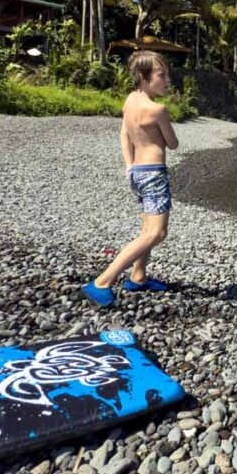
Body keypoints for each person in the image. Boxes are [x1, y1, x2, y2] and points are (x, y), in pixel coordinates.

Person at [81, 50, 179, 307]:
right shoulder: (157, 109)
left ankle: (138, 276)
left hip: (137, 171)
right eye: (161, 75)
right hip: (154, 173)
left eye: (167, 74)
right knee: (156, 233)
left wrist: (128, 165)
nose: (167, 80)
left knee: (147, 229)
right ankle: (103, 281)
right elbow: (173, 143)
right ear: (143, 76)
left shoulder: (129, 101)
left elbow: (124, 133)